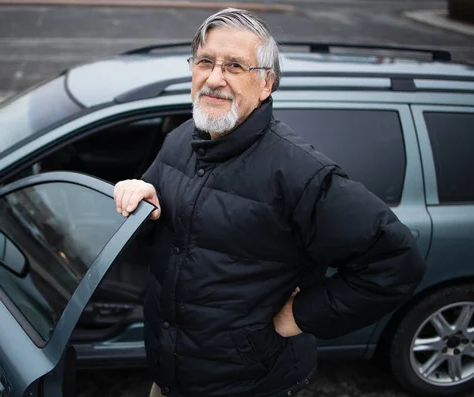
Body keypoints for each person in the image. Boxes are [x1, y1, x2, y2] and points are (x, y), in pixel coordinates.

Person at [113, 8, 426, 397]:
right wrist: (145, 198)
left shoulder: (300, 173)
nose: (214, 78)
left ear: (266, 84)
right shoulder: (181, 139)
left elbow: (396, 262)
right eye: (205, 61)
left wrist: (299, 316)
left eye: (234, 66)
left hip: (249, 384)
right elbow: (178, 228)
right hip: (170, 376)